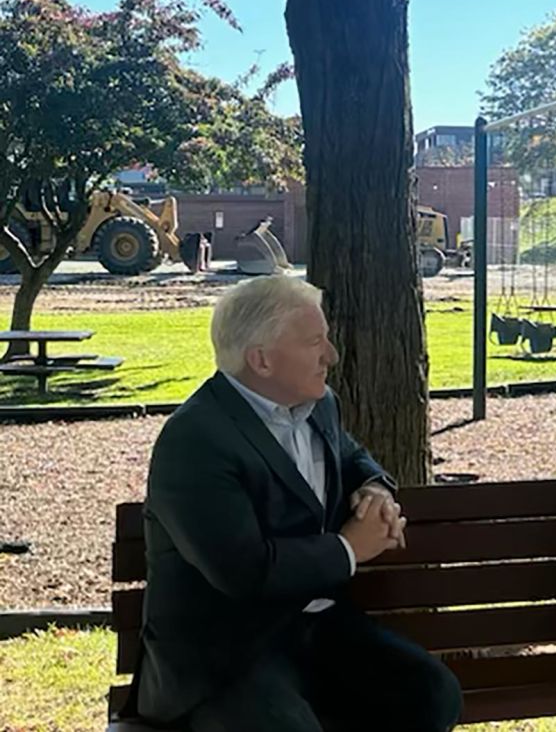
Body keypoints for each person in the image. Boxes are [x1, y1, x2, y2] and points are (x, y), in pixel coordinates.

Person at [129, 275, 462, 731]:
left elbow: (349, 454)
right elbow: (243, 570)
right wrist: (349, 549)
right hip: (223, 657)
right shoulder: (195, 441)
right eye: (314, 342)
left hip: (317, 633)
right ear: (261, 360)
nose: (331, 354)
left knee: (432, 694)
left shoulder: (319, 402)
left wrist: (375, 487)